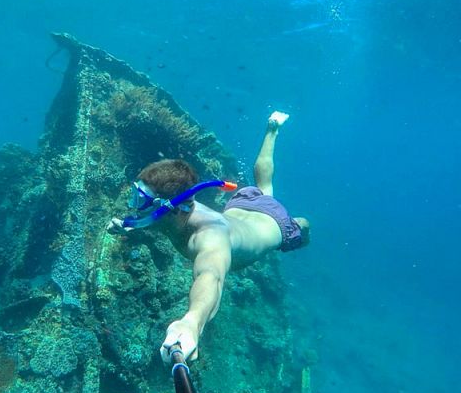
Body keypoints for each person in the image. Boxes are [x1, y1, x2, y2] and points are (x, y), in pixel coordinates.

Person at [107, 111, 310, 362]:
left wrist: (192, 321)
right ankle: (272, 129)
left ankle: (302, 225)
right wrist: (133, 224)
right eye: (135, 196)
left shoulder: (210, 238)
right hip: (242, 203)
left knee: (295, 223)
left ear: (173, 207)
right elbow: (154, 217)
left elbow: (210, 276)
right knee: (264, 185)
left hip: (274, 224)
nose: (134, 206)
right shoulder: (174, 210)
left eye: (141, 201)